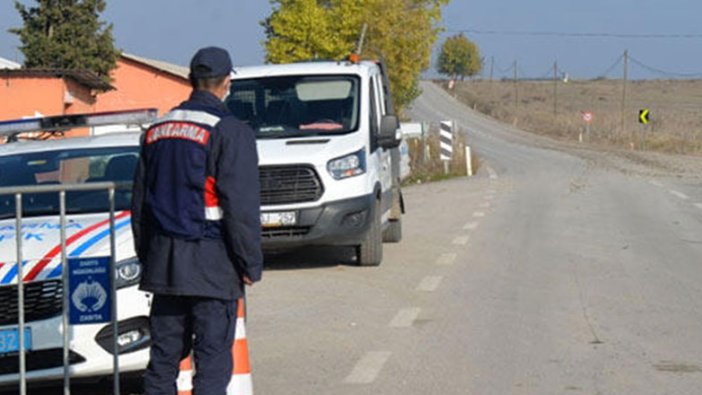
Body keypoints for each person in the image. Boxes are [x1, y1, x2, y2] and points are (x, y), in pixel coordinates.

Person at [131, 46, 263, 395]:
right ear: (226, 83)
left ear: (191, 80)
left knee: (162, 363)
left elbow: (140, 204)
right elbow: (241, 208)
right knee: (212, 362)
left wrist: (149, 257)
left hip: (164, 265)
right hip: (212, 265)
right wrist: (250, 262)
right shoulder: (230, 130)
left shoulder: (156, 129)